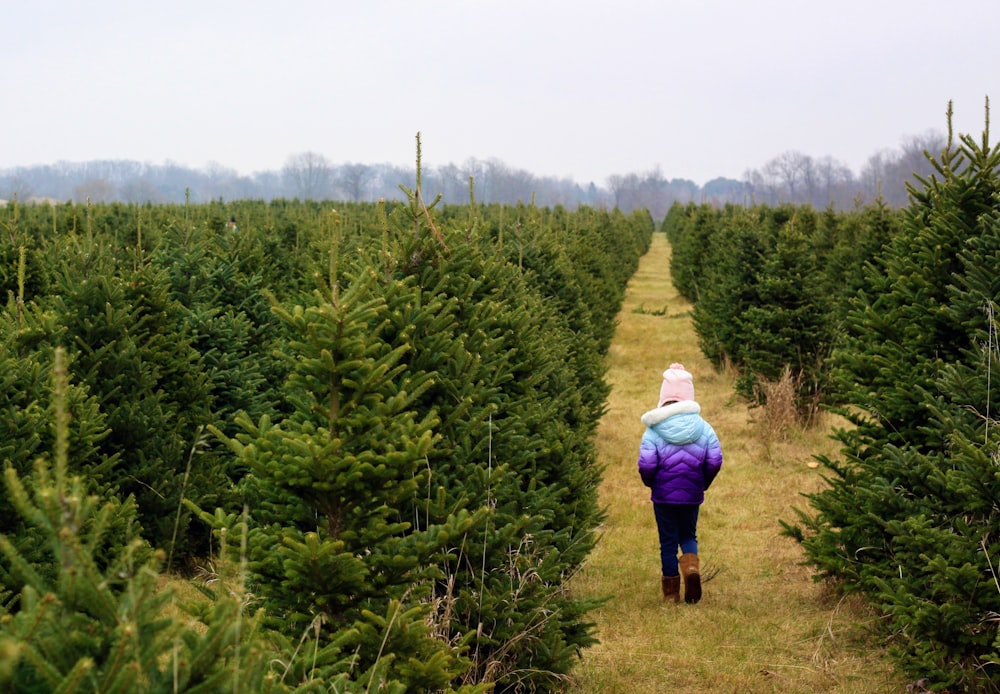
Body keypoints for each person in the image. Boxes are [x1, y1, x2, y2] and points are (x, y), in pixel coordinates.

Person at [637, 363, 723, 604]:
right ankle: (692, 570)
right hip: (692, 493)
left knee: (667, 541)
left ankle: (671, 594)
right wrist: (702, 481)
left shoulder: (653, 431)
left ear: (664, 397)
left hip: (663, 496)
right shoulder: (704, 428)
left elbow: (646, 464)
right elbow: (715, 459)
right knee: (688, 534)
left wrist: (651, 482)